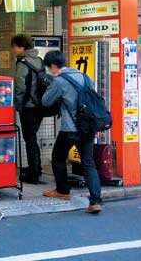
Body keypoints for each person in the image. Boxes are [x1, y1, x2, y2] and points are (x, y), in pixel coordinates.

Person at [41, 50, 102, 214]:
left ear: (53, 66)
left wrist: (52, 85)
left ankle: (63, 191)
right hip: (88, 127)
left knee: (58, 157)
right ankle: (96, 201)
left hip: (70, 128)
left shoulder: (60, 81)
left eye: (49, 67)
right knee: (88, 163)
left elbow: (46, 101)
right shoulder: (84, 77)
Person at [11, 34, 44, 184]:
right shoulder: (39, 61)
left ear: (21, 47)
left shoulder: (23, 63)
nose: (13, 50)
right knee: (32, 138)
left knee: (29, 139)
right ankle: (36, 168)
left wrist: (18, 105)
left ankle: (33, 174)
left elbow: (19, 86)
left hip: (28, 107)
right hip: (40, 106)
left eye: (15, 47)